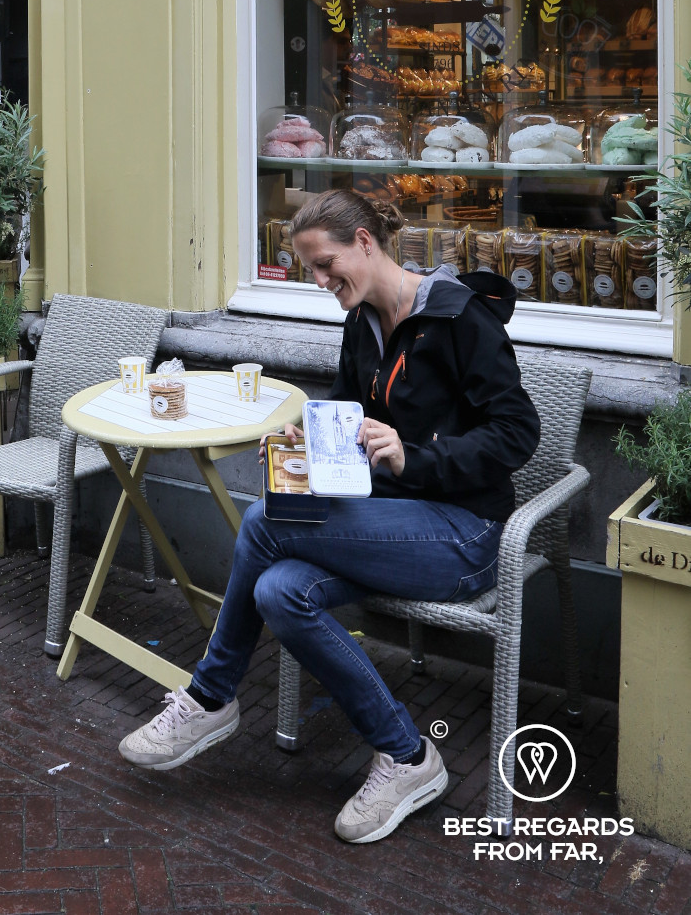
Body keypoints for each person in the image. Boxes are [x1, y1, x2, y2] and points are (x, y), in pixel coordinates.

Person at [119, 189, 540, 845]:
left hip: (464, 534)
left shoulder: (462, 320)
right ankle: (407, 755)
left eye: (325, 264)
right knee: (278, 590)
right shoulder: (360, 325)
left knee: (264, 520)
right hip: (388, 525)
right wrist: (300, 451)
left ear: (366, 242)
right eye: (311, 269)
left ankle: (210, 696)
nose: (318, 281)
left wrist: (415, 455)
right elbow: (344, 426)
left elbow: (518, 434)